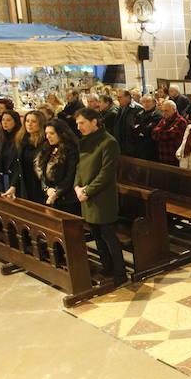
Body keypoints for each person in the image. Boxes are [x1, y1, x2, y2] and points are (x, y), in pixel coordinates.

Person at [74, 108, 126, 286]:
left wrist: (87, 191)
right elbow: (80, 167)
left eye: (82, 123)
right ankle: (107, 267)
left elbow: (106, 173)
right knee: (96, 235)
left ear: (94, 122)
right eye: (77, 124)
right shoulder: (85, 142)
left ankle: (120, 273)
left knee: (109, 237)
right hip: (86, 197)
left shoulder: (108, 142)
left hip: (102, 198)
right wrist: (77, 187)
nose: (79, 127)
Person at [35, 119, 81, 215]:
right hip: (50, 194)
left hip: (67, 198)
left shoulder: (72, 150)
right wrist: (47, 189)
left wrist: (57, 193)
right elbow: (41, 172)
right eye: (46, 133)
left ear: (61, 133)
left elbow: (71, 175)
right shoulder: (47, 148)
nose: (48, 136)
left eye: (52, 133)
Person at [2, 110, 47, 204]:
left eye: (33, 122)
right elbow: (18, 166)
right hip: (25, 184)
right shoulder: (22, 140)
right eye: (27, 121)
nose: (29, 124)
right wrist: (13, 185)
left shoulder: (45, 142)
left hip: (40, 186)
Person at [151, 100, 188, 165]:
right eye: (163, 111)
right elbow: (154, 133)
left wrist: (161, 131)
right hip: (163, 156)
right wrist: (164, 131)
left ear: (174, 110)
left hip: (174, 157)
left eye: (166, 110)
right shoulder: (163, 120)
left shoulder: (180, 121)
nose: (164, 113)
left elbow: (169, 135)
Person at [0, 110, 21, 192]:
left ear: (15, 122)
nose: (5, 122)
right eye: (3, 120)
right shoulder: (2, 137)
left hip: (16, 176)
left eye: (8, 120)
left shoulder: (20, 138)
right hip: (4, 174)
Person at [131, 95, 162, 161]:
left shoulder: (157, 115)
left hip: (151, 146)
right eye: (143, 102)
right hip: (139, 146)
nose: (146, 104)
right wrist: (142, 128)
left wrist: (140, 128)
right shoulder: (140, 113)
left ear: (154, 103)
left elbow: (149, 131)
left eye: (148, 101)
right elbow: (133, 128)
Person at [114, 90, 142, 156]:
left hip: (131, 145)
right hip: (121, 143)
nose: (118, 99)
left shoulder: (137, 108)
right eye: (117, 97)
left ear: (128, 97)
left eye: (120, 97)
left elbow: (137, 128)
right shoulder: (121, 107)